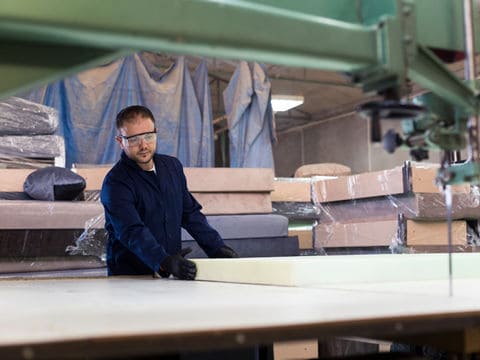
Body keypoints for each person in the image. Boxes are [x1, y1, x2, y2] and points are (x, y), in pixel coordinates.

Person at [100, 105, 238, 279]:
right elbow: (131, 231)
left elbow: (190, 214)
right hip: (131, 275)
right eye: (134, 139)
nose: (143, 145)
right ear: (121, 141)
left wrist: (216, 247)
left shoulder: (171, 168)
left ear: (156, 133)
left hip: (170, 271)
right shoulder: (116, 183)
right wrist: (163, 261)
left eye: (148, 136)